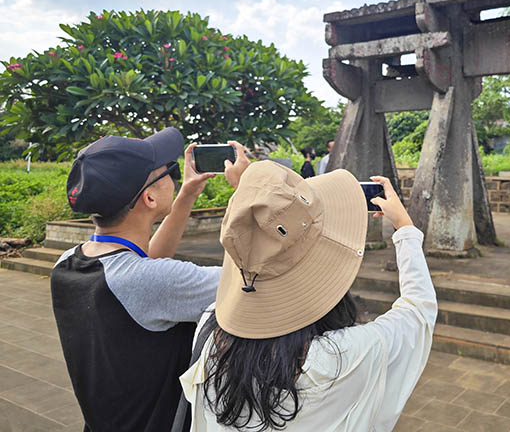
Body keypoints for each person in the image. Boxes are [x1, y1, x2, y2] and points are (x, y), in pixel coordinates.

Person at [179, 163, 437, 432]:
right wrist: (405, 229)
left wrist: (256, 210)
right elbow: (419, 311)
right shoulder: (345, 357)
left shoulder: (211, 334)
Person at [51, 128, 251, 432]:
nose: (176, 176)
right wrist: (247, 193)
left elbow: (143, 269)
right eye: (169, 171)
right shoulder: (151, 282)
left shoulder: (66, 264)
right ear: (149, 197)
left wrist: (186, 195)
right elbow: (245, 282)